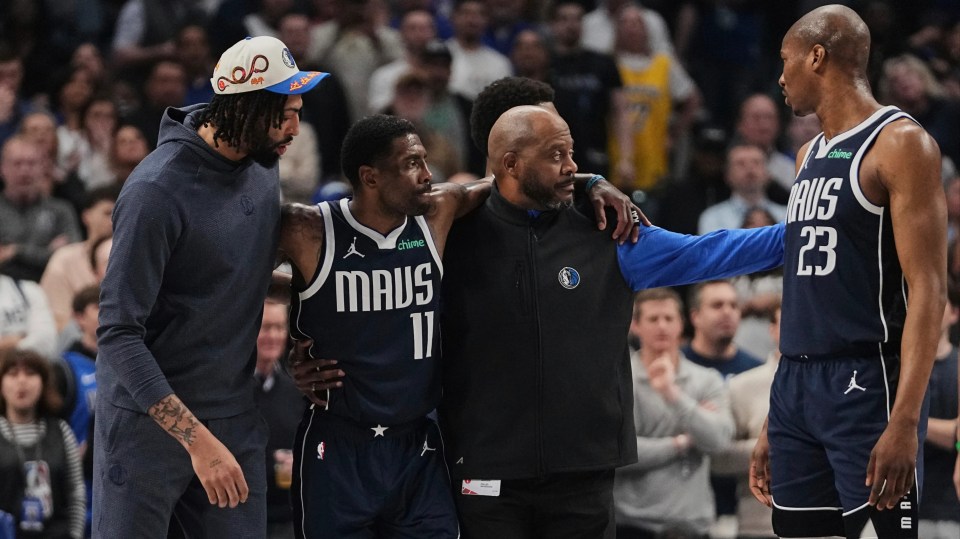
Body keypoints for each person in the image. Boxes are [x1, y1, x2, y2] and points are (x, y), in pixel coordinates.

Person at [438, 105, 784, 538]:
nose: (572, 166)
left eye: (572, 153)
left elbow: (713, 251)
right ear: (511, 164)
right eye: (557, 155)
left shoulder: (609, 229)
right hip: (485, 473)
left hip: (584, 474)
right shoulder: (451, 234)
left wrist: (813, 225)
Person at [94, 36, 328, 538]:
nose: (295, 127)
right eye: (284, 113)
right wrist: (198, 443)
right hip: (147, 424)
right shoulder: (155, 192)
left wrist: (319, 308)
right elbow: (117, 334)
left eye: (298, 111)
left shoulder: (265, 163)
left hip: (233, 412)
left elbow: (234, 276)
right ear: (245, 108)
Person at [749, 6, 948, 539]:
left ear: (817, 56)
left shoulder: (900, 143)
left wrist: (906, 419)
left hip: (866, 382)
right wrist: (777, 410)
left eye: (786, 61)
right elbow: (806, 287)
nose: (780, 76)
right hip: (796, 383)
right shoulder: (805, 155)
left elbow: (929, 290)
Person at [614, 288, 734, 539]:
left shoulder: (706, 380)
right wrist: (682, 442)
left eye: (669, 319)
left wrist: (672, 394)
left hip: (693, 523)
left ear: (682, 323)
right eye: (653, 319)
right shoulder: (619, 381)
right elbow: (618, 452)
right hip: (634, 523)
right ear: (635, 325)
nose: (662, 327)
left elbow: (719, 441)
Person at [711, 307, 782, 539]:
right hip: (758, 524)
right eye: (790, 321)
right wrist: (774, 449)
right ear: (772, 329)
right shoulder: (743, 386)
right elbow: (718, 458)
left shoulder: (837, 383)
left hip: (825, 522)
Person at [0, 349, 85, 538]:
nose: (22, 381)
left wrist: (75, 535)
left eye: (30, 373)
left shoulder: (61, 430)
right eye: (12, 374)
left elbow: (76, 493)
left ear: (44, 382)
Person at [252, 300, 302, 539]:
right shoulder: (230, 392)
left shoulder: (298, 391)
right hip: (242, 515)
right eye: (266, 327)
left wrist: (300, 462)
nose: (273, 336)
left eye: (279, 327)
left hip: (287, 519)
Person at [918, 282, 960, 538]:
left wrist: (906, 425)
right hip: (909, 504)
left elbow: (957, 436)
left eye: (941, 303)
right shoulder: (899, 367)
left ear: (954, 313)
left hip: (951, 508)